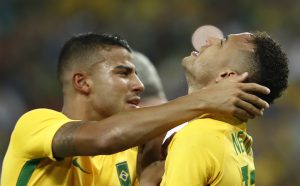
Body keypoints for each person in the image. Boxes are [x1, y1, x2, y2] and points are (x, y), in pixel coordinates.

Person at [1, 33, 270, 186]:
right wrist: (205, 99)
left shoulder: (131, 154)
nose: (139, 85)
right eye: (124, 73)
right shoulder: (34, 125)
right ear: (82, 82)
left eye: (137, 75)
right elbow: (103, 138)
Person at [160, 32, 289, 186]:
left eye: (222, 43)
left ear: (227, 76)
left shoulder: (198, 138)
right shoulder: (238, 140)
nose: (209, 40)